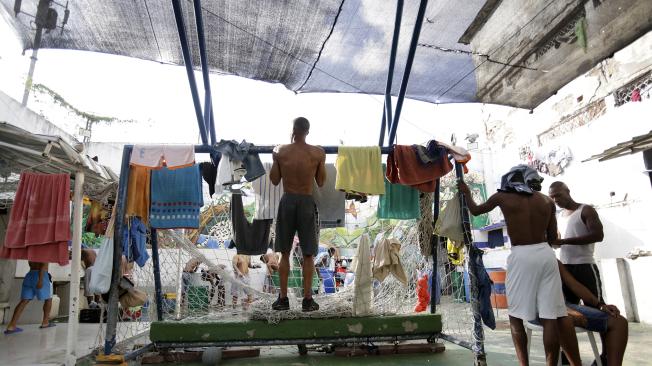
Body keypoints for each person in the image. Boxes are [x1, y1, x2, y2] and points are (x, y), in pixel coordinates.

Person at [459, 166, 567, 366]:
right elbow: (553, 238)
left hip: (521, 254)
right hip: (546, 253)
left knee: (515, 317)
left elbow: (475, 210)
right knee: (549, 316)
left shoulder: (502, 197)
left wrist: (466, 193)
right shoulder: (547, 201)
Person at [270, 117, 326, 312]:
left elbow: (275, 180)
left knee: (284, 252)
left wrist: (275, 160)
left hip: (288, 200)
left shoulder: (280, 150)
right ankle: (308, 300)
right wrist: (320, 163)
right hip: (306, 201)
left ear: (293, 130)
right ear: (308, 131)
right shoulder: (318, 152)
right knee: (309, 254)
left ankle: (283, 299)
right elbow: (321, 181)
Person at [549, 181, 607, 364]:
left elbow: (598, 235)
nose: (555, 199)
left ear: (567, 191)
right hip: (565, 268)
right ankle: (567, 356)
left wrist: (565, 241)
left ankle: (606, 354)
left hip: (585, 266)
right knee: (566, 313)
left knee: (599, 308)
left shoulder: (586, 210)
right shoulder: (559, 216)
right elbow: (558, 240)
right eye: (552, 197)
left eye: (558, 195)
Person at [555, 260, 628, 366]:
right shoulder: (525, 257)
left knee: (619, 321)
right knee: (564, 320)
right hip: (542, 309)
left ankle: (606, 360)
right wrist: (566, 310)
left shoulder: (553, 259)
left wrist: (600, 305)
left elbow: (573, 284)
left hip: (563, 305)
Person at [4, 262, 55, 334]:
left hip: (30, 275)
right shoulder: (44, 251)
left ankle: (11, 326)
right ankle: (45, 322)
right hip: (41, 275)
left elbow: (31, 264)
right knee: (49, 298)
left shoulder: (32, 251)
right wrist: (40, 280)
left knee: (24, 301)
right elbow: (42, 264)